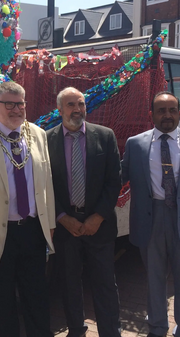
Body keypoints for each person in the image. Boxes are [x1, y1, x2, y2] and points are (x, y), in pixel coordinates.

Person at [121, 91, 180, 337]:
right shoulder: (136, 144)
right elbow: (117, 179)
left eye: (172, 110)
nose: (167, 115)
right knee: (154, 280)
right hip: (150, 220)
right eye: (161, 110)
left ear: (179, 112)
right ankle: (157, 328)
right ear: (151, 114)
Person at [0, 82, 56, 337]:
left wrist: (48, 221)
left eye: (20, 104)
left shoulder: (38, 134)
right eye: (9, 104)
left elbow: (46, 180)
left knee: (36, 295)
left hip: (32, 231)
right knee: (0, 301)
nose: (16, 109)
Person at [47, 87, 122, 337]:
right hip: (65, 226)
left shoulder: (105, 136)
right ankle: (76, 330)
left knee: (104, 284)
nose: (77, 109)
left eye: (80, 104)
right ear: (60, 110)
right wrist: (61, 217)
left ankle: (110, 332)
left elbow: (114, 181)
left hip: (99, 225)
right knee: (69, 283)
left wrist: (97, 217)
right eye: (70, 104)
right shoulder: (46, 140)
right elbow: (43, 185)